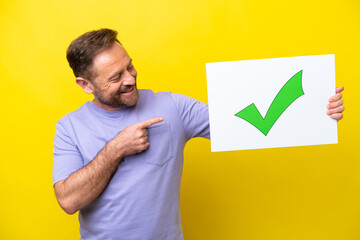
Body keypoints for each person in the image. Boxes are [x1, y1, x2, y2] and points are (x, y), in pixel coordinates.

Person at [53, 28, 344, 240]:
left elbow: (249, 123)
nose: (130, 78)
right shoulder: (69, 127)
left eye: (129, 66)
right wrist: (116, 148)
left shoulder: (172, 106)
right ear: (86, 85)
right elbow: (68, 201)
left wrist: (319, 109)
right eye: (116, 77)